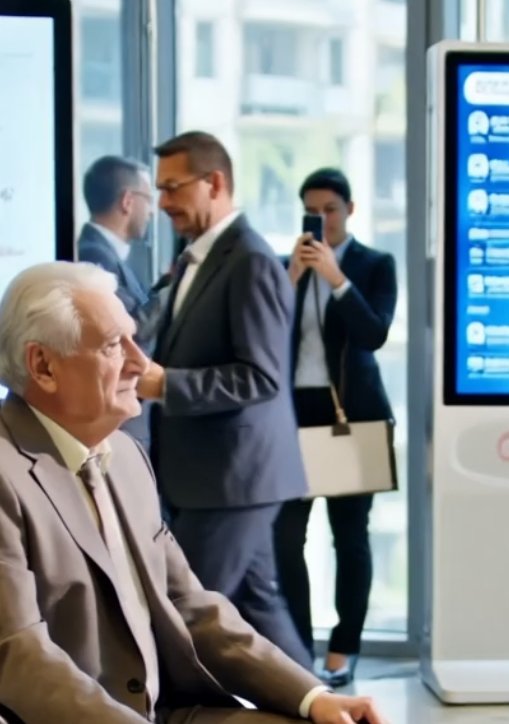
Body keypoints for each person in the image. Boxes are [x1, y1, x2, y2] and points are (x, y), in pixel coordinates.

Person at [0, 260, 388, 724]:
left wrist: (313, 697)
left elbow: (190, 605)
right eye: (113, 345)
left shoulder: (126, 456)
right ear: (43, 366)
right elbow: (19, 654)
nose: (141, 363)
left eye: (133, 339)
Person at [136, 131, 311, 669]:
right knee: (261, 609)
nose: (163, 201)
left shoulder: (250, 261)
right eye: (159, 189)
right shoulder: (200, 259)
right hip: (217, 477)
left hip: (232, 479)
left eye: (173, 187)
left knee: (181, 618)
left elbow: (260, 377)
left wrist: (165, 384)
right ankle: (330, 705)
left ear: (214, 183)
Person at [275, 168, 397, 687]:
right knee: (285, 538)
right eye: (311, 211)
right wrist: (292, 278)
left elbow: (374, 334)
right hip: (291, 415)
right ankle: (298, 649)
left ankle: (343, 649)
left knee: (349, 538)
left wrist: (336, 278)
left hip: (351, 413)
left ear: (350, 210)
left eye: (329, 209)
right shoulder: (286, 267)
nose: (320, 219)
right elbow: (262, 332)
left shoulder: (374, 264)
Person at [78, 154, 161, 450]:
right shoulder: (94, 255)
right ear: (128, 201)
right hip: (117, 420)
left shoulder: (105, 253)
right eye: (148, 199)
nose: (152, 211)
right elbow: (130, 327)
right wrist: (178, 289)